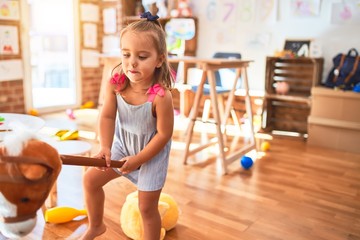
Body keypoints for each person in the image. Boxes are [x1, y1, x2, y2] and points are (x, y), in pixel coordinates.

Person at [80, 11, 175, 240]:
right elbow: (107, 117)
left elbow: (164, 135)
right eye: (126, 54)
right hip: (123, 146)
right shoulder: (116, 84)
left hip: (151, 155)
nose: (131, 62)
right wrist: (105, 147)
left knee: (146, 208)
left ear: (159, 59)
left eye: (142, 57)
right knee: (90, 180)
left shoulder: (160, 96)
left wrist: (139, 159)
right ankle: (96, 226)